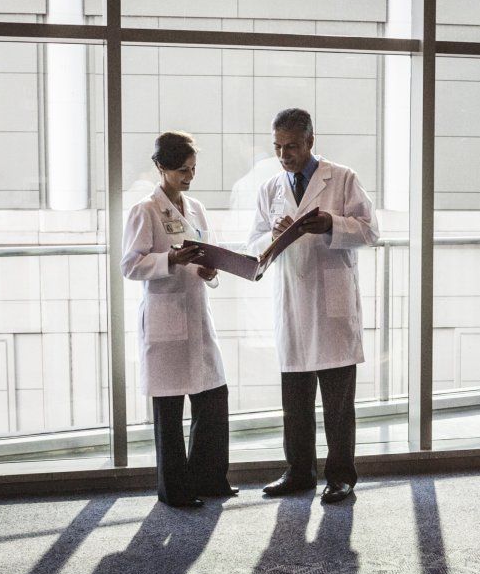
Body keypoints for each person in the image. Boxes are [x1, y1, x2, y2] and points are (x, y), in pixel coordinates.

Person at [249, 107, 379, 503]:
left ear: (310, 141)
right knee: (296, 404)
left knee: (338, 406)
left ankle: (340, 477)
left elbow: (371, 231)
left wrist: (332, 226)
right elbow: (253, 247)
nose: (284, 154)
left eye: (291, 146)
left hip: (332, 306)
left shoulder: (342, 179)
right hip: (292, 306)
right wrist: (271, 236)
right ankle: (299, 472)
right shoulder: (270, 188)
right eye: (277, 147)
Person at [123, 131, 235, 510]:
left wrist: (209, 271)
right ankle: (175, 491)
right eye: (181, 171)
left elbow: (210, 256)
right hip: (165, 317)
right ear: (160, 167)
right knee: (169, 412)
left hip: (196, 314)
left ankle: (210, 479)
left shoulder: (197, 209)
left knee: (213, 397)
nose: (189, 177)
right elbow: (130, 265)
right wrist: (170, 260)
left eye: (192, 169)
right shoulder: (145, 210)